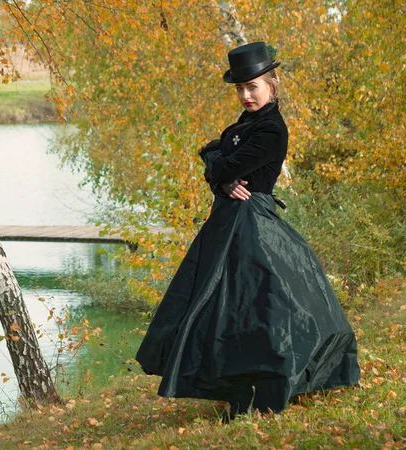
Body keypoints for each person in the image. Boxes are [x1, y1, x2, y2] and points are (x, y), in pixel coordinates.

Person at [135, 42, 360, 419]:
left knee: (257, 310)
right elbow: (213, 157)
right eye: (240, 88)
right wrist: (220, 178)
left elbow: (221, 161)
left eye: (253, 86)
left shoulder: (272, 129)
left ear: (272, 85)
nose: (245, 94)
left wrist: (218, 169)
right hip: (227, 223)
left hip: (253, 225)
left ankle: (262, 392)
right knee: (218, 309)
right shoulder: (243, 124)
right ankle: (234, 386)